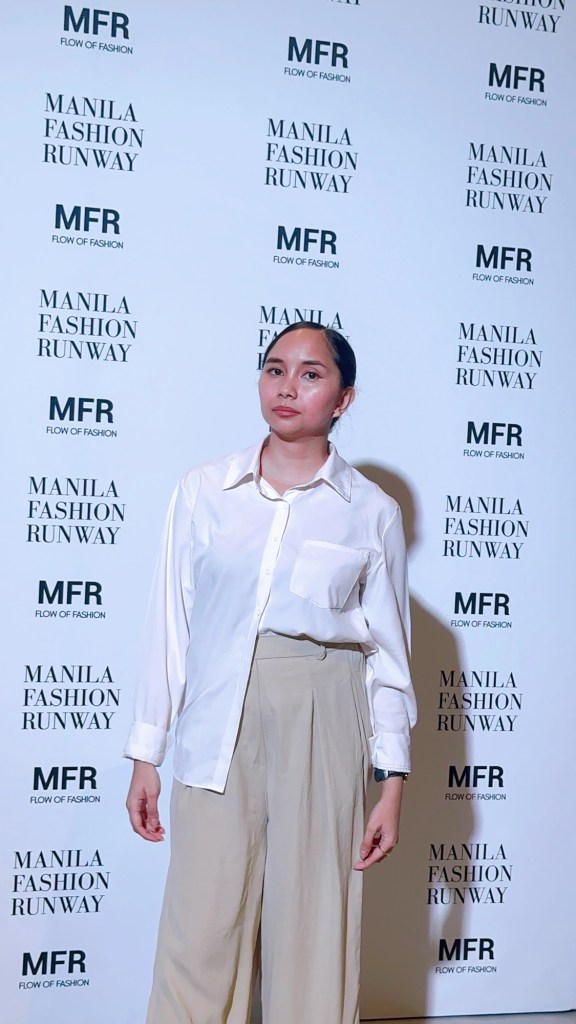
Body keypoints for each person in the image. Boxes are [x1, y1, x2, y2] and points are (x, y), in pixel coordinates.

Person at [124, 321, 416, 1024]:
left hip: (324, 712)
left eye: (311, 374)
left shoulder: (371, 512)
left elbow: (388, 657)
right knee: (200, 927)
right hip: (216, 716)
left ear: (343, 399)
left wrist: (392, 784)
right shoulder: (204, 490)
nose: (288, 386)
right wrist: (146, 752)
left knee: (312, 924)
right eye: (275, 368)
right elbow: (172, 625)